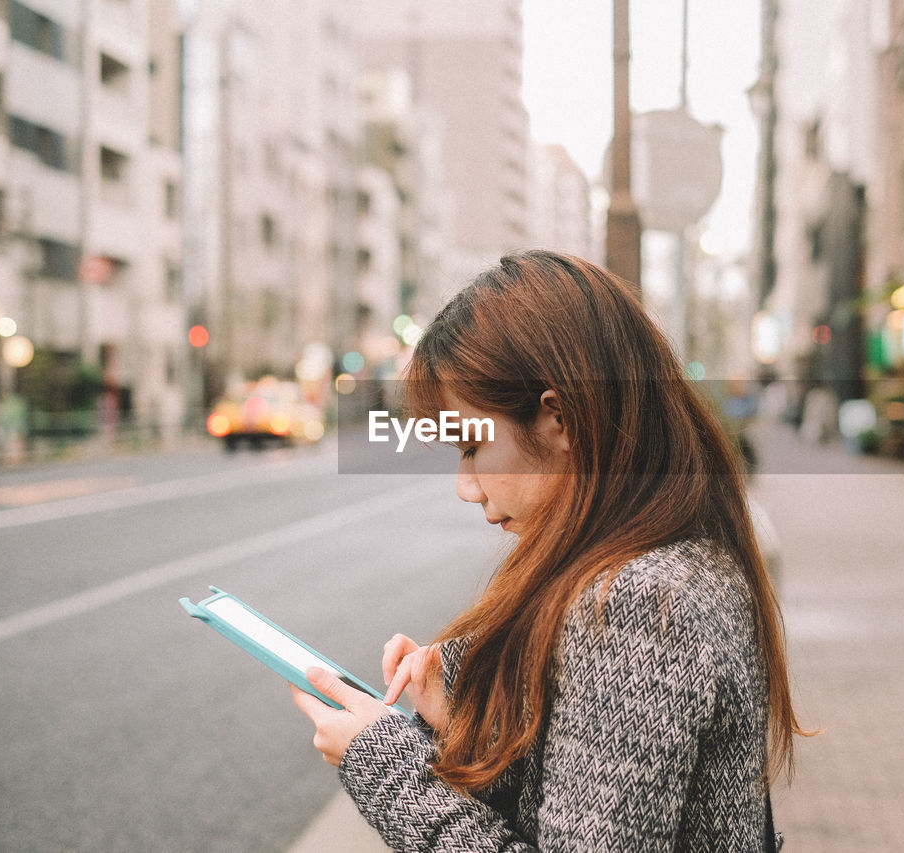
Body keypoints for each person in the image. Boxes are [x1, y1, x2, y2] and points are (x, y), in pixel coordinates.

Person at [290, 251, 806, 851]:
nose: (465, 485)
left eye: (471, 446)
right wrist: (470, 705)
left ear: (559, 419)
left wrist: (384, 765)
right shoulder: (682, 551)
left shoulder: (642, 602)